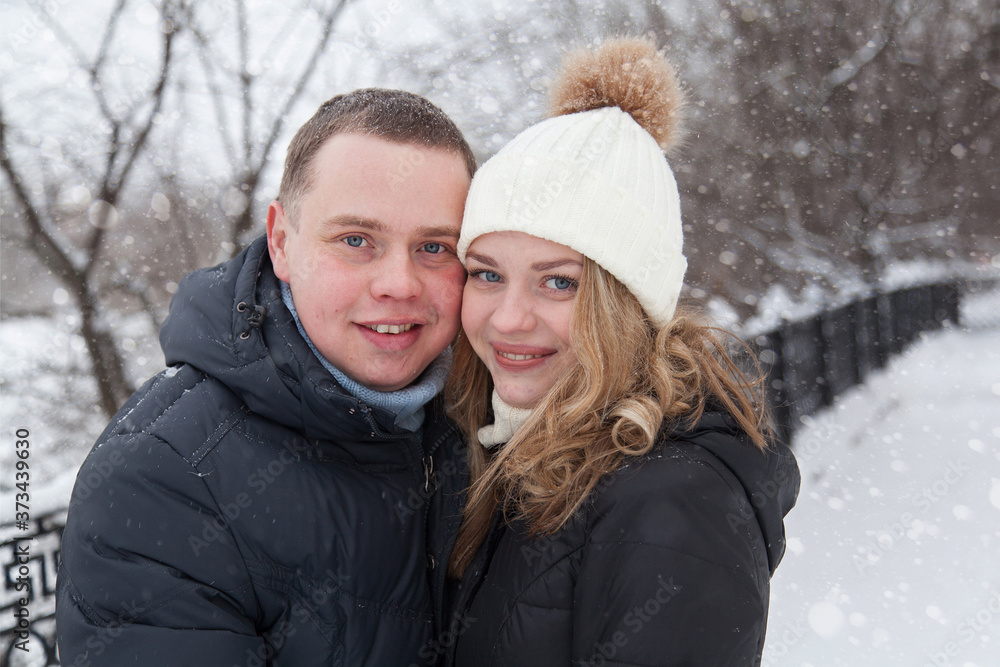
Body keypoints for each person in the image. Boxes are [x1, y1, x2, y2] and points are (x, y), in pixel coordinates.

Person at [56, 89, 476, 666]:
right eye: (356, 241)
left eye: (435, 247)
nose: (399, 284)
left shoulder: (494, 425)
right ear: (281, 241)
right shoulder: (161, 478)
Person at [442, 38, 800, 665]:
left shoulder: (674, 502)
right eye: (487, 273)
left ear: (627, 302)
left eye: (560, 282)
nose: (509, 318)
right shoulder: (505, 443)